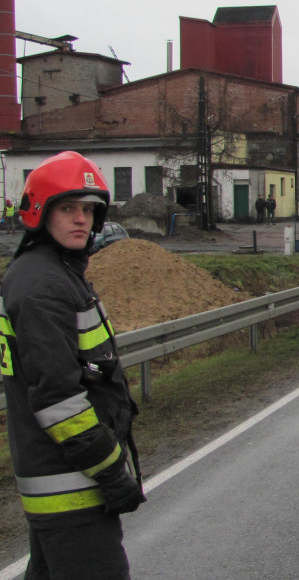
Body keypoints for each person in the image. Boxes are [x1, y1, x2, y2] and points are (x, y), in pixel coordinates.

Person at [0, 151, 145, 579]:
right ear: (40, 213)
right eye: (68, 208)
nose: (81, 219)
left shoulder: (55, 272)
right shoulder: (42, 286)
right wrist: (113, 471)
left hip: (65, 485)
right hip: (72, 487)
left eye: (88, 209)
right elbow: (58, 401)